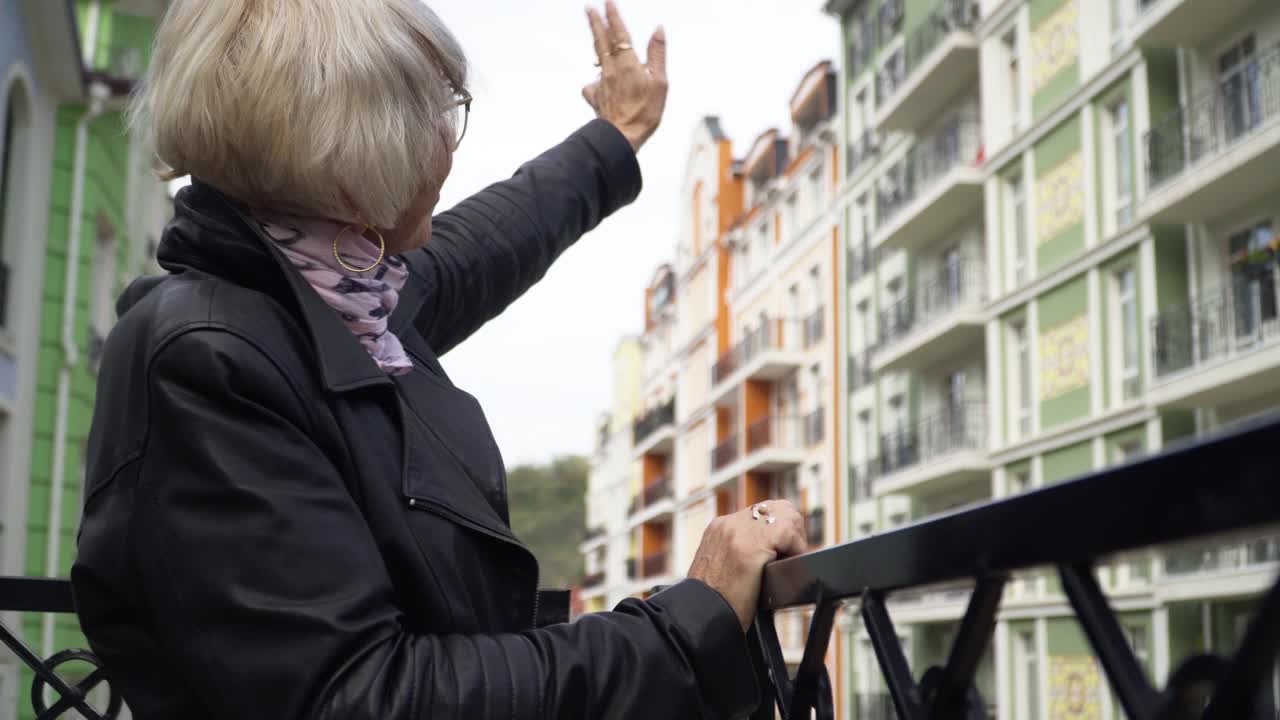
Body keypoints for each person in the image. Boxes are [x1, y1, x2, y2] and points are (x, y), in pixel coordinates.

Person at [70, 1, 809, 718]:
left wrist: (616, 136)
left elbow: (493, 236)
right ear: (352, 162)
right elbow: (360, 695)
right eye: (437, 114)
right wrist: (687, 624)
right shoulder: (210, 359)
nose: (450, 143)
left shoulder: (330, 291)